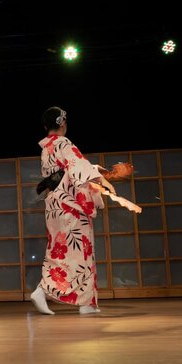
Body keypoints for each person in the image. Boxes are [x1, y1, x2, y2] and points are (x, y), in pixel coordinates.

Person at [30, 107, 114, 316]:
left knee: (62, 250)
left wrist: (94, 171)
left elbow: (70, 170)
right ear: (62, 123)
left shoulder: (46, 148)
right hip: (70, 205)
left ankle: (87, 302)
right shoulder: (64, 143)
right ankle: (43, 290)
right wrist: (101, 179)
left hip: (55, 204)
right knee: (77, 251)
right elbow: (78, 167)